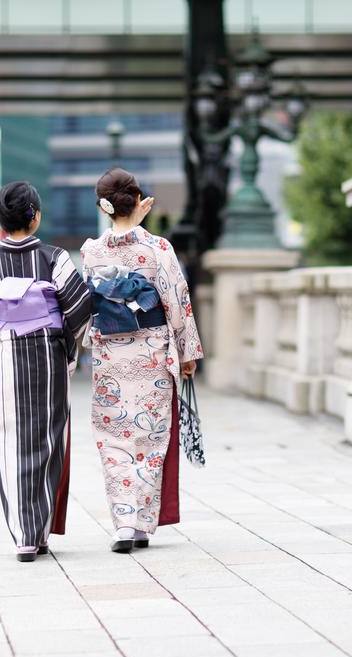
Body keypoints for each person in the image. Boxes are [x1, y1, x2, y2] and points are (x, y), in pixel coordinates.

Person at [0, 181, 92, 562]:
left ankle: (24, 535)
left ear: (1, 220)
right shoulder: (55, 258)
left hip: (5, 355)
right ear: (35, 216)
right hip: (48, 354)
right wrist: (62, 337)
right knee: (49, 440)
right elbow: (80, 306)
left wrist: (1, 326)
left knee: (9, 441)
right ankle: (41, 529)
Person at [81, 168, 203, 553]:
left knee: (114, 439)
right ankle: (141, 526)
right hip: (151, 353)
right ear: (137, 201)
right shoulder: (157, 249)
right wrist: (187, 353)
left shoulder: (92, 252)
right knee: (149, 440)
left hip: (110, 355)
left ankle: (122, 524)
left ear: (103, 208)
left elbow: (87, 307)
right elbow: (177, 302)